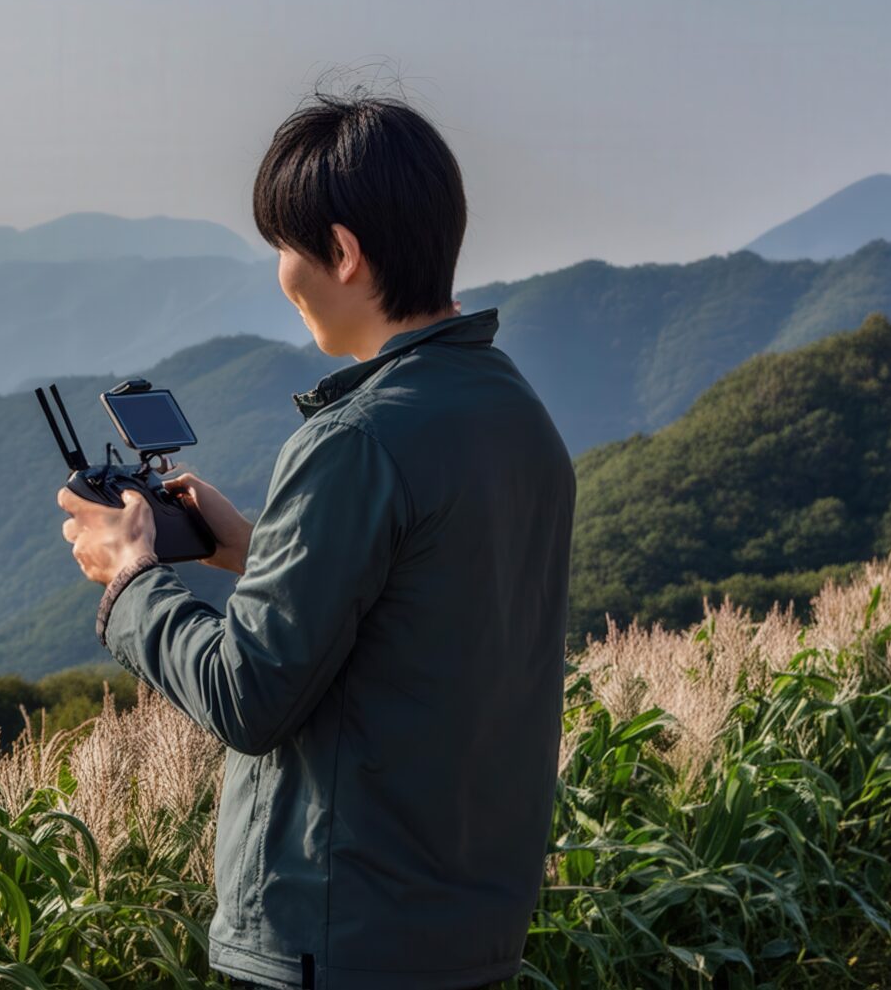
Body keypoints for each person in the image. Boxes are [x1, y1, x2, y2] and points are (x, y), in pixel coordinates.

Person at [57, 90, 574, 990]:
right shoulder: (517, 413)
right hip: (467, 927)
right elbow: (424, 608)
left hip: (337, 936)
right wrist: (252, 550)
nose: (283, 274)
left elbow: (249, 696)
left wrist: (130, 578)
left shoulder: (355, 440)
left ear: (342, 252)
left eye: (285, 248)